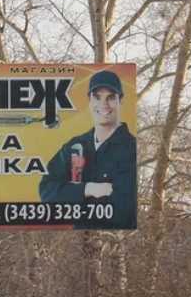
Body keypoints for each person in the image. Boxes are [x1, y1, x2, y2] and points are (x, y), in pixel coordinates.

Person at [38, 69, 137, 229]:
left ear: (121, 100)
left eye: (111, 97)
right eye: (97, 97)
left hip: (116, 242)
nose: (103, 104)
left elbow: (124, 209)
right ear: (89, 100)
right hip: (76, 240)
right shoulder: (75, 146)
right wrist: (88, 189)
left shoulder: (132, 149)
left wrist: (70, 194)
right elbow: (47, 192)